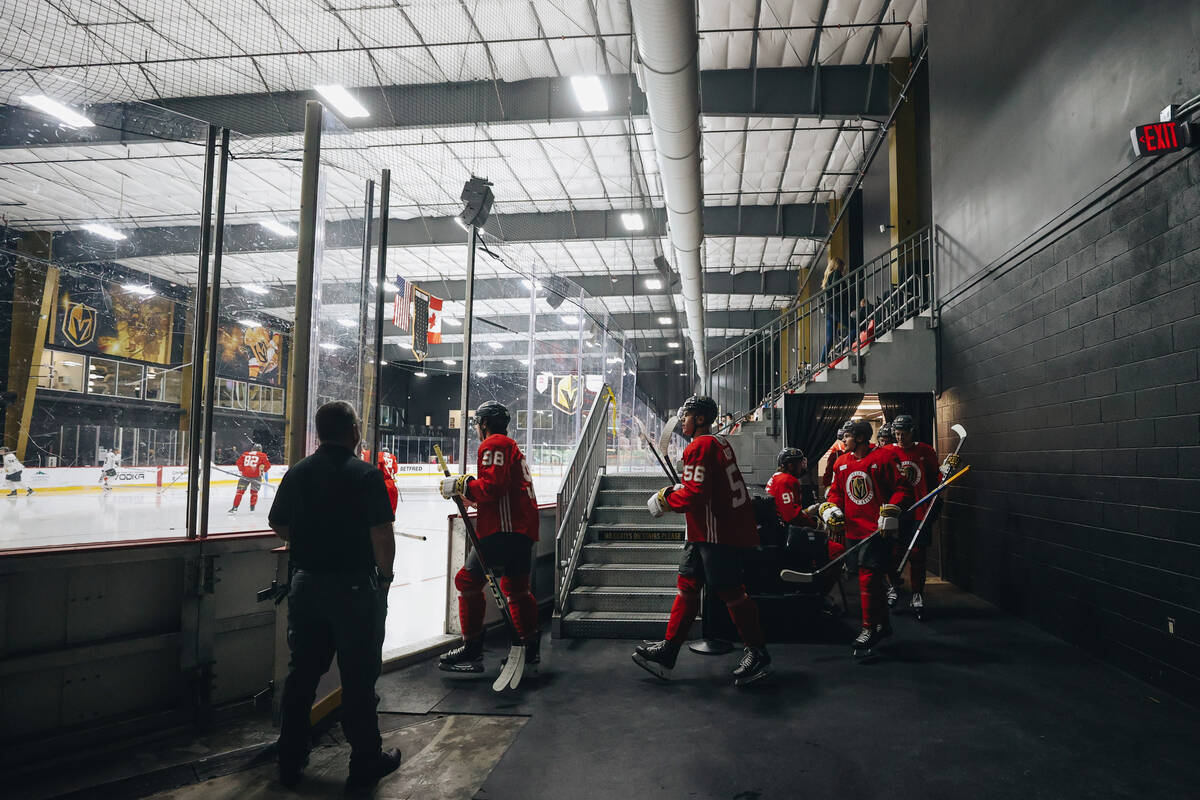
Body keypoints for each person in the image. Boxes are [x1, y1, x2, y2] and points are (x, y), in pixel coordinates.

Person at [268, 401, 401, 794]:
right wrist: (386, 577)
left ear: (320, 432)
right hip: (354, 589)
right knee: (359, 678)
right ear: (353, 431)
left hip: (306, 586)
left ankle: (289, 761)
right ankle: (365, 761)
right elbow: (382, 535)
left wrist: (307, 541)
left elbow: (278, 522)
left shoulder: (298, 472)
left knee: (302, 676)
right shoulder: (365, 476)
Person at [634, 395, 770, 687]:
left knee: (731, 592)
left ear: (699, 418)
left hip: (714, 532)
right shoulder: (717, 443)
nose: (682, 420)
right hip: (705, 531)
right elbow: (705, 486)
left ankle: (758, 652)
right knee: (688, 585)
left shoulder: (701, 445)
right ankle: (669, 651)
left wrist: (666, 498)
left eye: (686, 416)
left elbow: (695, 495)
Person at [437, 401, 541, 673]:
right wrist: (470, 495)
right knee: (517, 589)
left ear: (484, 424)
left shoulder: (494, 443)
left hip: (504, 531)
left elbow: (492, 488)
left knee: (467, 581)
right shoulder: (509, 445)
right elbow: (500, 492)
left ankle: (472, 648)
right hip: (522, 530)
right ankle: (530, 648)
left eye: (477, 424)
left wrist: (464, 483)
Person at [824, 420, 913, 656]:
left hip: (876, 530)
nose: (843, 439)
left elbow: (903, 488)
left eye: (848, 436)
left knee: (868, 578)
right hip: (852, 530)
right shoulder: (841, 462)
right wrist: (832, 509)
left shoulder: (883, 458)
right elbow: (836, 492)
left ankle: (869, 628)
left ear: (861, 438)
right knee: (868, 579)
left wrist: (893, 507)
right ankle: (883, 624)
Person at [889, 414, 947, 620]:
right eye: (896, 433)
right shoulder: (889, 451)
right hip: (897, 511)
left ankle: (917, 594)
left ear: (912, 431)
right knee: (894, 552)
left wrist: (944, 474)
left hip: (920, 511)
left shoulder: (925, 450)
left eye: (903, 433)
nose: (899, 437)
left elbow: (936, 477)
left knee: (917, 554)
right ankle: (893, 586)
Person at [766, 447, 845, 595]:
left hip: (780, 531)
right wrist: (815, 524)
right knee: (837, 550)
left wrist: (806, 513)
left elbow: (786, 509)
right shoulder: (787, 479)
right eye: (798, 462)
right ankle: (818, 594)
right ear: (790, 465)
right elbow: (791, 516)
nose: (801, 465)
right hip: (788, 535)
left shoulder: (776, 477)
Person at [229, 442, 271, 512]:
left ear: (252, 449)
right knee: (254, 493)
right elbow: (268, 466)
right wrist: (263, 469)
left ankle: (234, 508)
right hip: (256, 476)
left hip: (244, 476)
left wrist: (242, 470)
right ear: (260, 450)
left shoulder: (245, 454)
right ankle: (252, 508)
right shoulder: (262, 455)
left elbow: (238, 462)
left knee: (239, 492)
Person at [820, 256, 848, 362]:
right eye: (842, 268)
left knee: (830, 338)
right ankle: (847, 348)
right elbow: (839, 289)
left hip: (828, 311)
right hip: (836, 308)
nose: (842, 270)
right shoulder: (836, 273)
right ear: (838, 266)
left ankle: (822, 361)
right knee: (855, 326)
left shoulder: (827, 278)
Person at [821, 420, 855, 497]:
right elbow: (828, 474)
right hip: (838, 492)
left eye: (847, 436)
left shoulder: (866, 457)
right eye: (844, 437)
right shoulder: (836, 455)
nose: (844, 441)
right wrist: (828, 488)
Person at [376, 446, 400, 513]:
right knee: (392, 502)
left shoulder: (379, 455)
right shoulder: (392, 457)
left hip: (380, 483)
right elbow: (395, 470)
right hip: (390, 483)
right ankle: (391, 520)